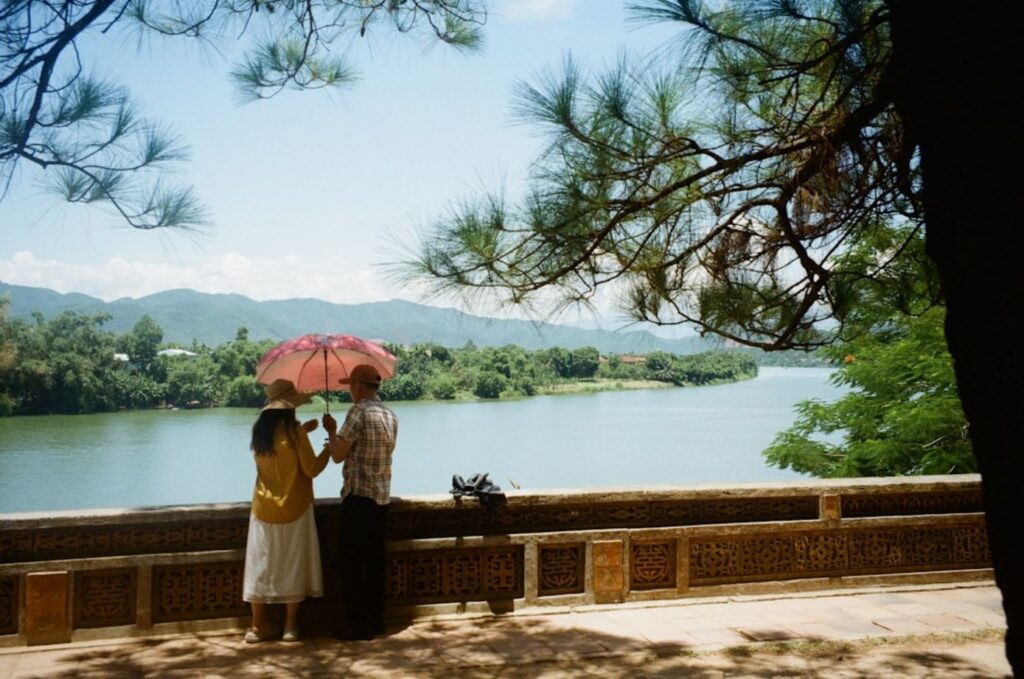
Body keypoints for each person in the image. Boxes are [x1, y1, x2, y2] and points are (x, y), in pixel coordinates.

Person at [242, 378, 330, 643]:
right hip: (295, 506)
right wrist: (327, 448)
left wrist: (303, 432)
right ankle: (290, 626)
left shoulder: (260, 432)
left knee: (261, 565)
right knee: (292, 564)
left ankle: (257, 626)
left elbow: (279, 456)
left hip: (263, 507)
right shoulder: (295, 432)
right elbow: (311, 469)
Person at [322, 364, 399, 640]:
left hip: (358, 499)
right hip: (381, 499)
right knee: (375, 563)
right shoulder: (390, 415)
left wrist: (331, 432)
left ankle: (356, 626)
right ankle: (376, 621)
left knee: (351, 564)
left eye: (349, 386)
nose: (349, 391)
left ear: (357, 386)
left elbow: (338, 455)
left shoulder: (358, 412)